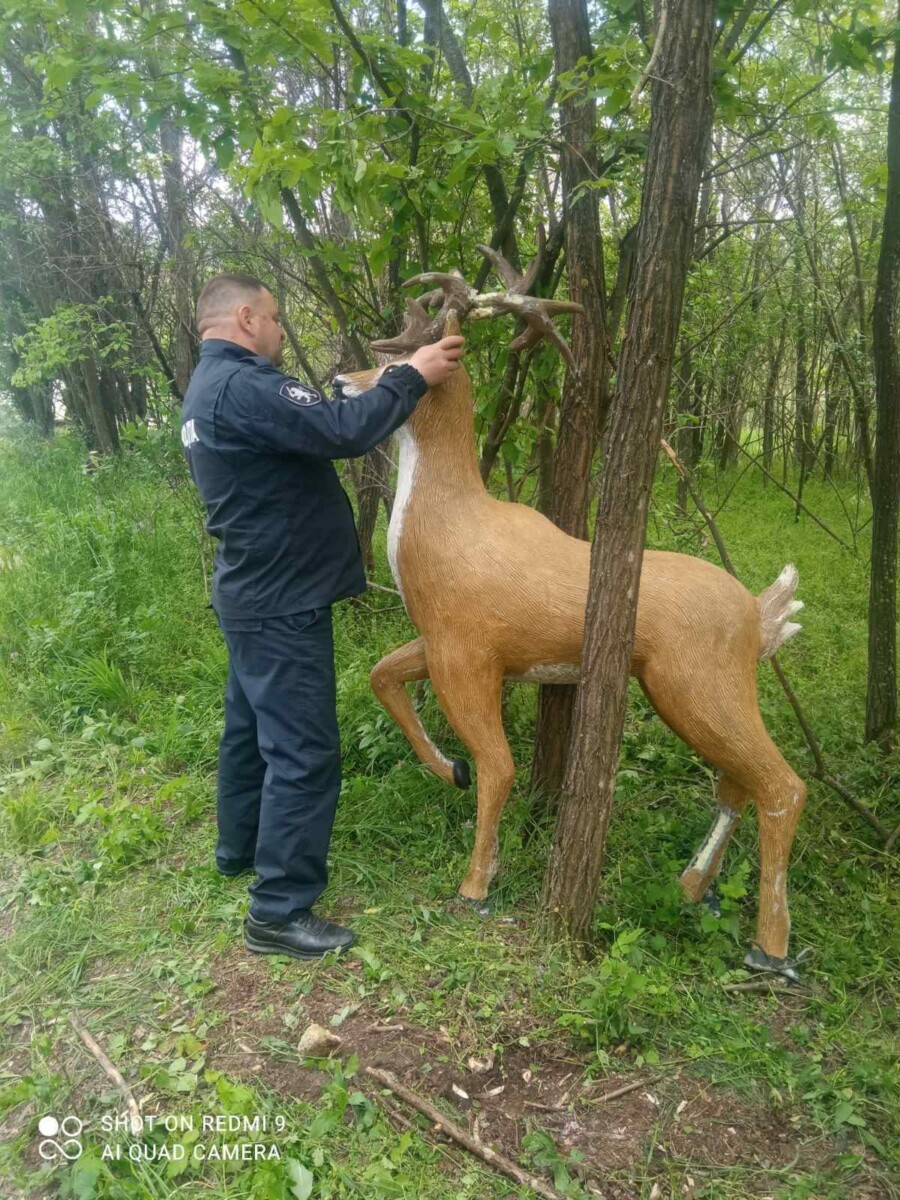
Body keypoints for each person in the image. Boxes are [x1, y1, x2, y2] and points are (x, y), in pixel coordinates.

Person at [181, 273, 464, 960]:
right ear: (245, 318)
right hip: (281, 601)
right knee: (304, 754)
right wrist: (412, 376)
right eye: (275, 318)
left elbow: (304, 433)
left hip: (253, 592)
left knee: (249, 733)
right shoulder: (247, 385)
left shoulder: (207, 387)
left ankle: (237, 850)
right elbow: (343, 431)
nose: (281, 330)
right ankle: (278, 912)